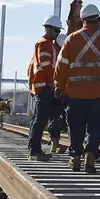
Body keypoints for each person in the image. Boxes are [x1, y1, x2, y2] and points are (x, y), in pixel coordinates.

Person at [55, 4, 100, 173]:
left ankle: (75, 158)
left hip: (75, 93)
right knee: (95, 126)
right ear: (99, 19)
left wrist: (59, 86)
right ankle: (90, 157)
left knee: (76, 125)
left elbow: (61, 66)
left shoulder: (71, 39)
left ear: (82, 20)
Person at [27, 15, 64, 161]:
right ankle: (34, 151)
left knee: (38, 119)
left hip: (41, 86)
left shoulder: (47, 44)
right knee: (40, 120)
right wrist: (52, 81)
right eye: (56, 31)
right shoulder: (44, 44)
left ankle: (33, 149)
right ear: (49, 29)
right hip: (43, 86)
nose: (57, 34)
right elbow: (46, 65)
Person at [48, 33, 69, 154]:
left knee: (56, 117)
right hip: (58, 90)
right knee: (58, 117)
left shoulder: (54, 52)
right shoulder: (57, 55)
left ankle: (55, 144)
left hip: (58, 89)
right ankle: (55, 144)